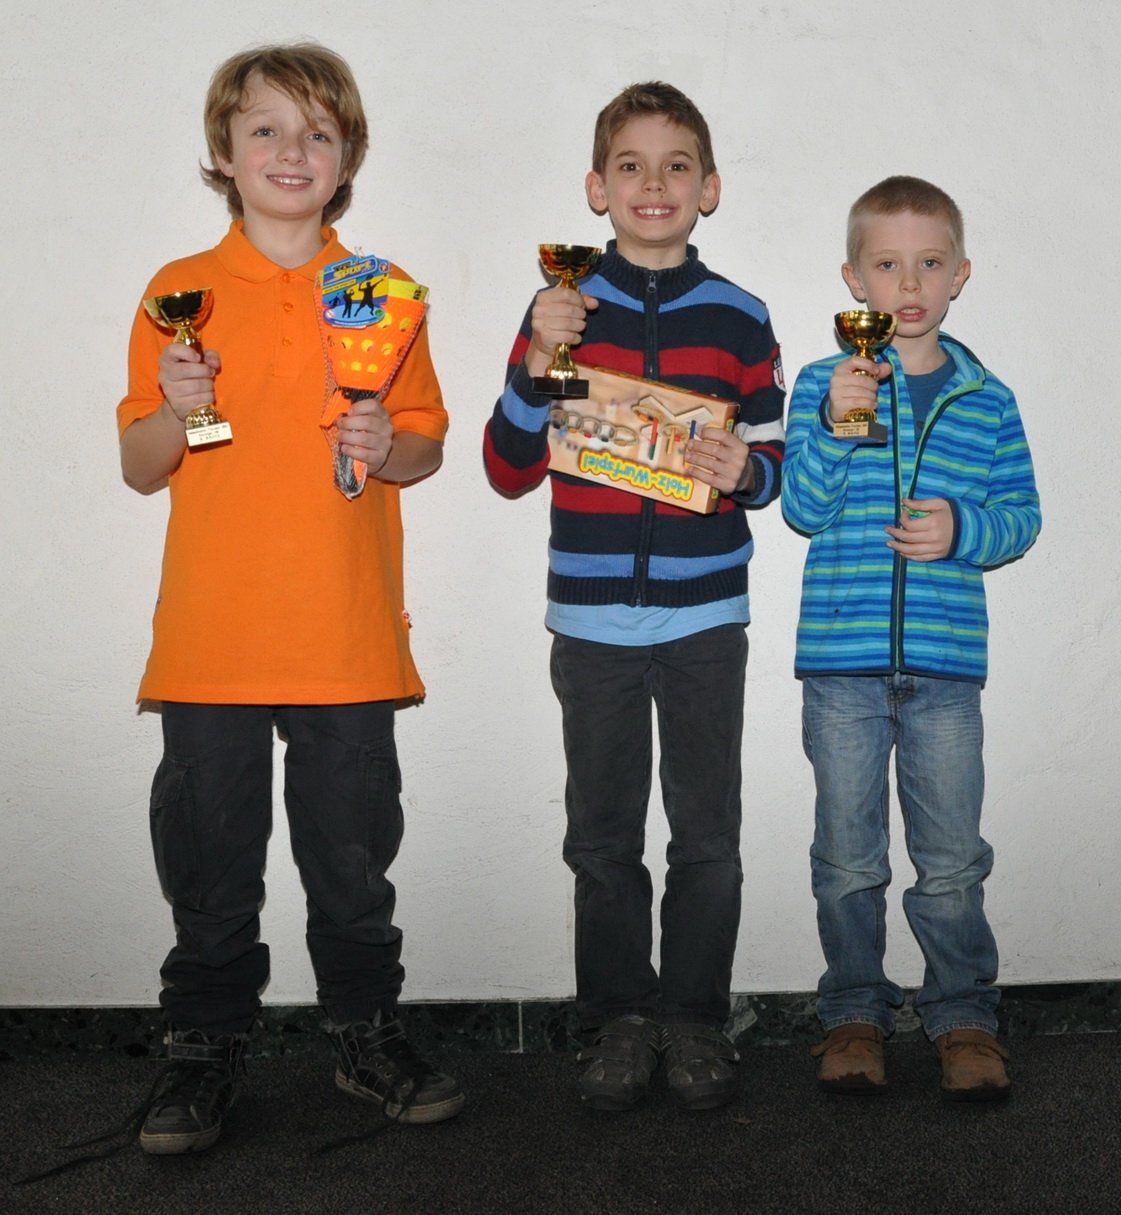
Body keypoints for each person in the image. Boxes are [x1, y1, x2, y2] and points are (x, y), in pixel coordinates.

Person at [117, 43, 462, 1154]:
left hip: (344, 634)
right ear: (223, 153)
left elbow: (425, 447)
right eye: (264, 128)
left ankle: (365, 1030)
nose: (291, 150)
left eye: (317, 131)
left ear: (348, 157)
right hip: (210, 638)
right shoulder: (180, 292)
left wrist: (385, 440)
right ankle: (203, 1045)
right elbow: (141, 465)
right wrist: (176, 405)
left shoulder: (382, 294)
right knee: (210, 869)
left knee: (352, 869)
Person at [484, 82, 785, 1111]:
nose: (653, 183)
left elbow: (775, 459)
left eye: (675, 165)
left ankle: (695, 1018)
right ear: (596, 188)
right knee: (603, 838)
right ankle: (616, 1017)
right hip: (592, 620)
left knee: (707, 835)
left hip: (706, 618)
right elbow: (507, 465)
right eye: (630, 165)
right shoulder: (560, 312)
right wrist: (537, 358)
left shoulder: (741, 316)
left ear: (709, 188)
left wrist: (744, 470)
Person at [781, 176, 1041, 1101]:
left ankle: (964, 1015)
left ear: (960, 274)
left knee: (952, 861)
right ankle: (854, 1010)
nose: (910, 282)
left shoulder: (988, 398)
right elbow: (802, 508)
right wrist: (834, 424)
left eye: (930, 262)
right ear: (855, 281)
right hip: (841, 668)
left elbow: (1022, 516)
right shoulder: (824, 384)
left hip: (946, 670)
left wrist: (963, 528)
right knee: (847, 860)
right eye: (888, 265)